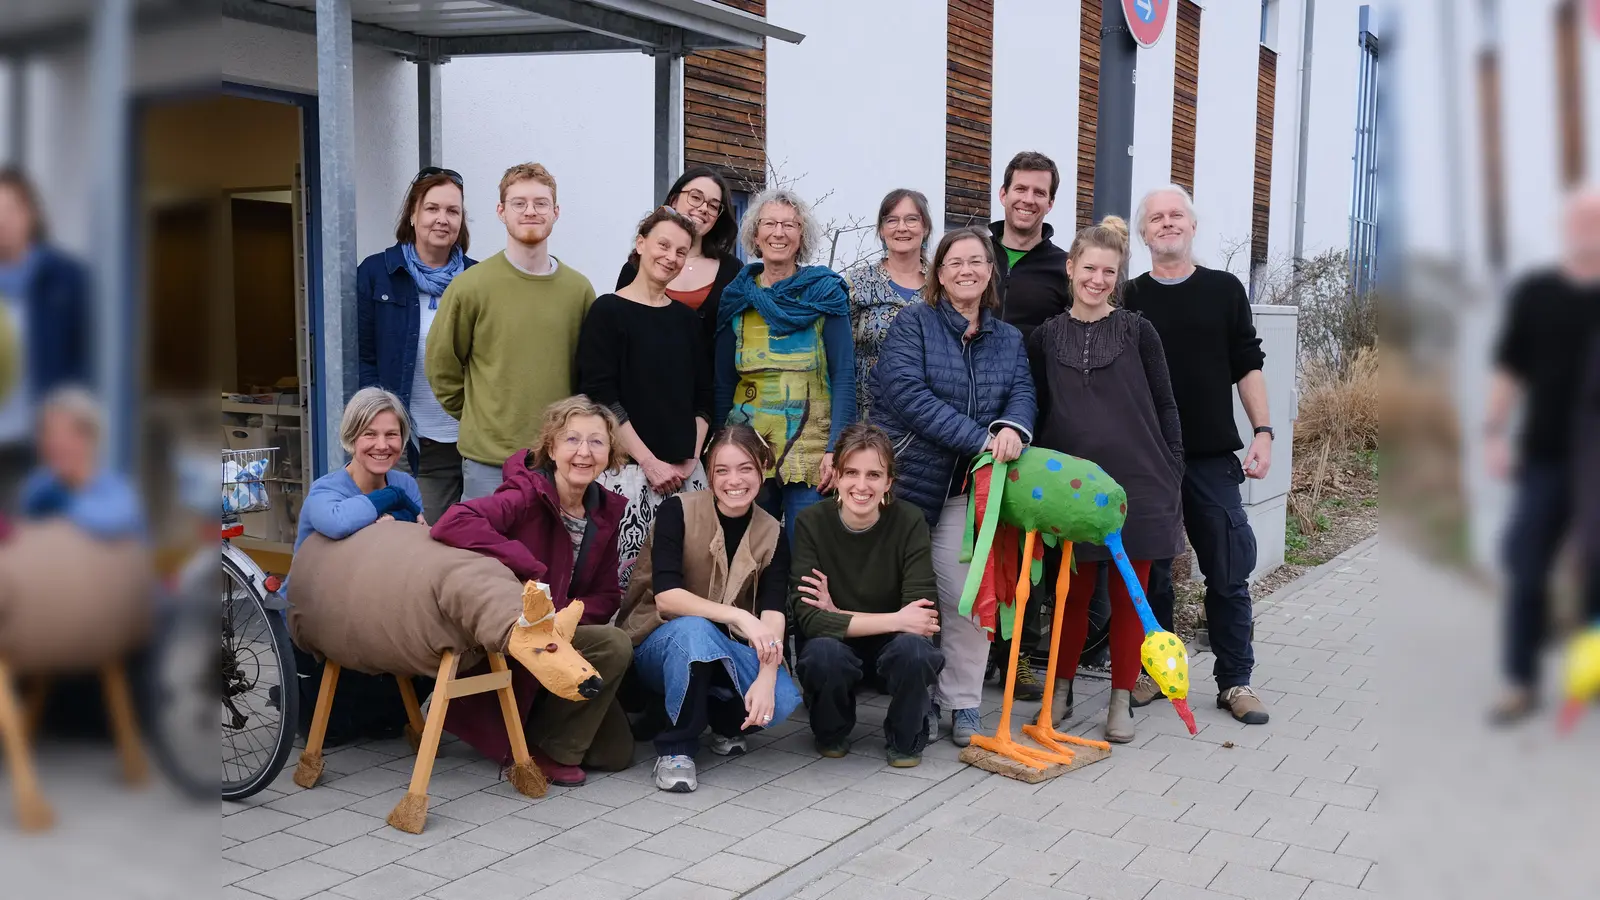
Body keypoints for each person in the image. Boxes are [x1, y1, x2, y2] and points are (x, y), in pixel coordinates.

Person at [869, 226, 1034, 746]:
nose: (966, 269)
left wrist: (1013, 428)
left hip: (967, 491)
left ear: (990, 272)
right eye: (954, 262)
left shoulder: (1007, 338)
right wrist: (982, 439)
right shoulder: (913, 323)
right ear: (938, 273)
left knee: (966, 598)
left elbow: (1023, 393)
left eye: (976, 261)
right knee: (910, 598)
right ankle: (910, 702)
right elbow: (907, 395)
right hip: (909, 484)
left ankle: (963, 702)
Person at [1027, 216, 1184, 744]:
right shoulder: (1047, 337)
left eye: (1108, 271)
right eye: (1089, 268)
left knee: (1129, 597)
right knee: (1069, 595)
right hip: (1072, 492)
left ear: (1118, 277)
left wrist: (1173, 469)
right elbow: (1037, 408)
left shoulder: (1139, 331)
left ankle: (1120, 700)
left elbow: (1164, 403)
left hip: (1138, 484)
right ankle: (1061, 692)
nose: (1097, 279)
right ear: (1070, 268)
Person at [1122, 184, 1272, 725]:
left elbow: (1247, 364)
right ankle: (1159, 674)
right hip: (1149, 460)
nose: (1166, 223)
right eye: (1156, 217)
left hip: (1210, 457)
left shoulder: (1225, 290)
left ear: (1192, 225)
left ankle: (1236, 681)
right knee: (1152, 575)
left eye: (1175, 215)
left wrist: (1264, 430)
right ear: (1143, 233)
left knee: (1228, 572)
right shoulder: (1129, 296)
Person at [429, 395, 633, 785]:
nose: (584, 452)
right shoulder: (526, 493)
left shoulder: (604, 511)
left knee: (616, 754)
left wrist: (560, 618)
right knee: (614, 644)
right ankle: (544, 750)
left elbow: (607, 596)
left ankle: (541, 730)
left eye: (596, 441)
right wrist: (527, 564)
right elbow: (453, 522)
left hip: (558, 634)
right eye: (572, 440)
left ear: (610, 453)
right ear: (551, 448)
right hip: (514, 636)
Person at [617, 425, 800, 792]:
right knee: (696, 629)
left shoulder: (773, 532)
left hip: (721, 649)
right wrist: (739, 616)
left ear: (763, 467)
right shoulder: (677, 511)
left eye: (745, 468)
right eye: (722, 470)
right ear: (709, 473)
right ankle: (676, 750)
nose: (734, 480)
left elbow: (773, 609)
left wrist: (767, 673)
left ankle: (720, 718)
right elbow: (667, 598)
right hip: (656, 643)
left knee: (779, 699)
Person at [1485, 185, 1600, 724]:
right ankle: (1520, 681)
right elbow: (1511, 368)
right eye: (1580, 219)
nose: (1587, 228)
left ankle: (1589, 674)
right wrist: (1493, 432)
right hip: (1546, 457)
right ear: (1566, 227)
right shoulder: (1536, 292)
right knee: (1528, 567)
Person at [427, 162, 597, 502]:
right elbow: (441, 368)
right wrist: (482, 416)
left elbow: (589, 374)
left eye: (540, 203)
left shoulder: (579, 291)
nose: (530, 211)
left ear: (556, 211)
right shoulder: (470, 287)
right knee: (487, 555)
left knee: (555, 555)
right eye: (519, 203)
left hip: (559, 461)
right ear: (501, 211)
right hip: (489, 464)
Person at [790, 424, 944, 766]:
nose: (862, 485)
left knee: (916, 652)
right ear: (837, 476)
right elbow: (810, 618)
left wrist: (837, 614)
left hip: (892, 650)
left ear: (888, 482)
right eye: (851, 473)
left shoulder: (909, 521)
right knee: (823, 653)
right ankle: (832, 731)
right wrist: (896, 619)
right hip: (837, 649)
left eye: (874, 474)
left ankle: (906, 738)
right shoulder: (811, 523)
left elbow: (924, 618)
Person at [579, 208, 712, 589]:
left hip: (686, 479)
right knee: (625, 590)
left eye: (681, 251)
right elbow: (601, 398)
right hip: (627, 476)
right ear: (641, 245)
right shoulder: (607, 312)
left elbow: (703, 398)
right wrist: (650, 462)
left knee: (689, 585)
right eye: (663, 245)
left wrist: (691, 458)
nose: (671, 257)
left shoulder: (688, 322)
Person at [712, 188, 856, 539]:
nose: (780, 232)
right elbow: (721, 382)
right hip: (747, 449)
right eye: (770, 223)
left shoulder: (824, 294)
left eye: (790, 224)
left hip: (811, 454)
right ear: (755, 235)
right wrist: (718, 450)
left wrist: (835, 448)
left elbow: (844, 375)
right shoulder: (737, 297)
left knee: (807, 553)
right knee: (746, 550)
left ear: (801, 235)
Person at [290, 387, 425, 746]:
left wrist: (395, 513)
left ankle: (373, 705)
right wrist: (390, 501)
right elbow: (336, 522)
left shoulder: (406, 482)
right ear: (351, 438)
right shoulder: (326, 490)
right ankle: (294, 696)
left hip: (376, 609)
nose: (382, 445)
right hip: (319, 617)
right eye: (370, 434)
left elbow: (417, 538)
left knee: (384, 721)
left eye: (391, 434)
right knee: (332, 734)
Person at [987, 152, 1071, 700]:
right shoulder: (972, 250)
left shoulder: (1062, 266)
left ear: (1050, 201)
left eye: (1039, 192)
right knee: (972, 539)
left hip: (1031, 418)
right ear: (1003, 193)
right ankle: (966, 651)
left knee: (1025, 542)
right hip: (963, 413)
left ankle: (1016, 657)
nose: (1027, 199)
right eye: (1020, 188)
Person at [356, 167, 476, 523]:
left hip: (467, 439)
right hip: (405, 438)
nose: (442, 219)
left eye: (452, 211)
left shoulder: (477, 280)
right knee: (413, 540)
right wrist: (377, 427)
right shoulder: (378, 273)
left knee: (468, 544)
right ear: (412, 214)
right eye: (432, 208)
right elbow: (365, 359)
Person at [0, 168, 91, 505]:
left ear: (30, 214)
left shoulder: (66, 280)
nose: (1, 221)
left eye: (9, 210)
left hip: (41, 446)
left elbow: (87, 360)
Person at [613, 167, 742, 370]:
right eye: (695, 197)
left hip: (706, 393)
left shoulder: (732, 270)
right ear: (674, 200)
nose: (703, 208)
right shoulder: (637, 266)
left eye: (713, 205)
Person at [843, 188, 931, 423]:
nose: (901, 227)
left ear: (926, 227)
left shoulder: (942, 285)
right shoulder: (858, 283)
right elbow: (840, 357)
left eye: (911, 219)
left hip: (927, 416)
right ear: (882, 231)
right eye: (892, 220)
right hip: (868, 417)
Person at [18, 387, 143, 540]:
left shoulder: (119, 496)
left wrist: (63, 501)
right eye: (46, 433)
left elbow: (106, 523)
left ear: (90, 439)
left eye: (61, 435)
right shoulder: (38, 487)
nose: (51, 444)